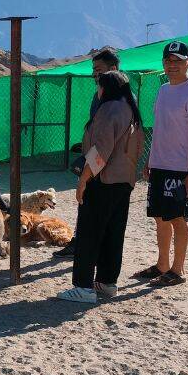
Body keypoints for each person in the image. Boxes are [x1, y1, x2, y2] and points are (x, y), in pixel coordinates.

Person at [56, 70, 144, 303]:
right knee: (113, 233)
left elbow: (100, 151)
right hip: (124, 182)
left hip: (102, 181)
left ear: (106, 88)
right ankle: (107, 282)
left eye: (99, 85)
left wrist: (83, 179)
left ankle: (83, 287)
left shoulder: (109, 109)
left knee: (89, 233)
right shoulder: (131, 111)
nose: (98, 90)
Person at [135, 40, 188, 287]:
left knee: (178, 218)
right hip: (159, 165)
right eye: (168, 61)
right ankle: (162, 265)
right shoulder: (164, 90)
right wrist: (150, 159)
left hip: (180, 169)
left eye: (178, 61)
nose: (172, 65)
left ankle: (178, 270)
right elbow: (160, 129)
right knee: (159, 217)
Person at [55, 48, 120, 259]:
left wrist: (91, 167)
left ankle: (90, 248)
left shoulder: (121, 99)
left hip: (106, 164)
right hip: (95, 159)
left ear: (114, 69)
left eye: (99, 70)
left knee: (100, 208)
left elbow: (107, 141)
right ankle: (79, 242)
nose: (95, 74)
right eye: (94, 70)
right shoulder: (97, 95)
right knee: (86, 203)